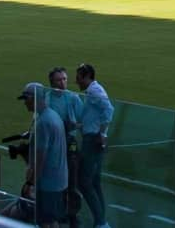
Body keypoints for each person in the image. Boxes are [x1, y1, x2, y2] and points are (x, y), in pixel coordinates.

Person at [19, 82, 69, 228]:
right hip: (58, 180)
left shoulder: (43, 123)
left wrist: (30, 183)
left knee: (46, 222)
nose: (24, 103)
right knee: (51, 219)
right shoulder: (52, 116)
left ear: (33, 98)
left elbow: (40, 159)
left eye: (25, 99)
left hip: (49, 183)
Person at [71, 62, 114, 228]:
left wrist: (102, 134)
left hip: (92, 140)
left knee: (84, 182)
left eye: (79, 78)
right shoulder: (93, 90)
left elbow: (109, 110)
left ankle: (101, 222)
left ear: (87, 76)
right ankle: (101, 221)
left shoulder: (95, 91)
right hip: (92, 137)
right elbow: (95, 115)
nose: (77, 81)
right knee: (95, 181)